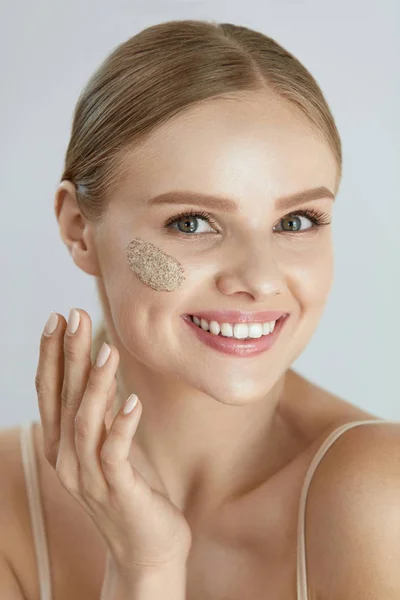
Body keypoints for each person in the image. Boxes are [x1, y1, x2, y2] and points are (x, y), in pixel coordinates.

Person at [1, 18, 399, 600]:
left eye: (297, 221)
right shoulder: (9, 501)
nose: (260, 280)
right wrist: (145, 567)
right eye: (192, 222)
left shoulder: (379, 496)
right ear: (80, 230)